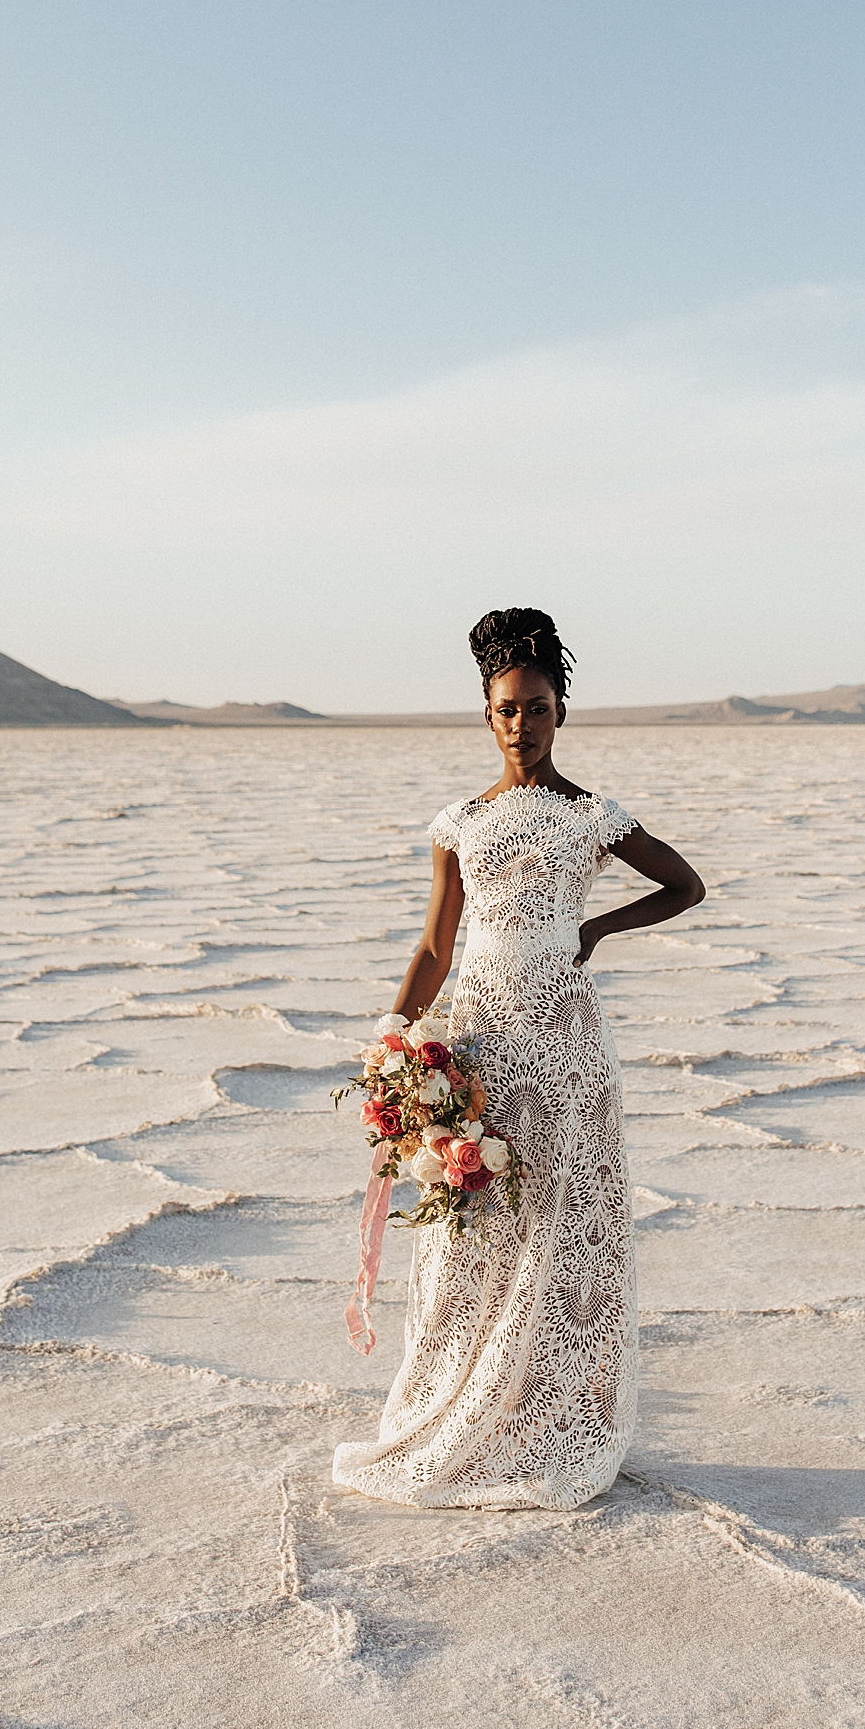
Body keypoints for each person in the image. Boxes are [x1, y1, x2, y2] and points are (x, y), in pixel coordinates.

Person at [332, 606, 705, 1510]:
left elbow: (684, 885)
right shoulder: (459, 823)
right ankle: (462, 1411)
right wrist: (394, 1032)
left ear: (560, 712)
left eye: (537, 708)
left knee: (564, 1227)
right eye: (506, 708)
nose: (521, 725)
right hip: (483, 1043)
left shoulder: (588, 816)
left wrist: (596, 929)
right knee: (476, 1236)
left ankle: (552, 1420)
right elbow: (434, 948)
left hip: (566, 1048)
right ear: (486, 713)